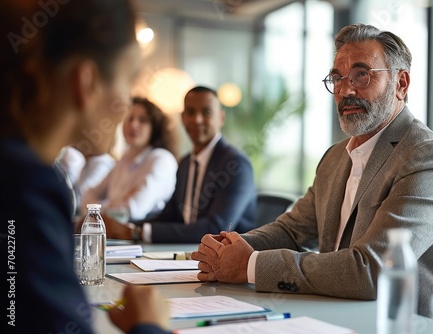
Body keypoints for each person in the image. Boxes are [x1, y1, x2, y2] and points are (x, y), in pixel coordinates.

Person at [192, 23, 433, 318]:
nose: (345, 90)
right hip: (333, 316)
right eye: (337, 78)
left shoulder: (429, 158)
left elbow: (374, 269)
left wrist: (250, 265)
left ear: (401, 84)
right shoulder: (336, 156)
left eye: (361, 75)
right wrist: (233, 248)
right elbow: (292, 230)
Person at [0, 1, 171, 333]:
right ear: (87, 81)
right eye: (129, 78)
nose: (126, 109)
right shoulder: (26, 187)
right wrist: (149, 325)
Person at [103, 86, 257, 243]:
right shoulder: (185, 164)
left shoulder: (236, 165)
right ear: (183, 118)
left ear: (221, 118)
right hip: (187, 254)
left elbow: (217, 228)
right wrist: (126, 227)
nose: (197, 119)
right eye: (190, 112)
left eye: (207, 112)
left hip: (227, 261)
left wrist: (137, 232)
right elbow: (171, 216)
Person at [81, 97, 179, 221]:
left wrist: (102, 208)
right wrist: (115, 204)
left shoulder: (161, 159)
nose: (133, 125)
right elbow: (87, 196)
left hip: (143, 237)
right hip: (116, 235)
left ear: (154, 127)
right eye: (129, 118)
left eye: (142, 120)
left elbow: (133, 210)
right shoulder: (124, 160)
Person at [57, 145, 116, 215]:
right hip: (80, 209)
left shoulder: (102, 161)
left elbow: (83, 191)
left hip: (88, 212)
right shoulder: (86, 160)